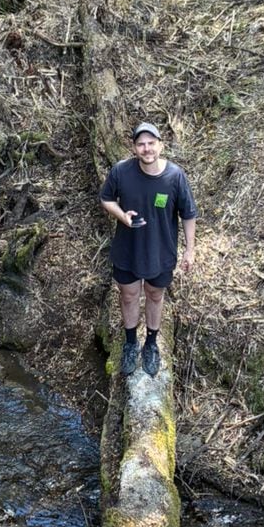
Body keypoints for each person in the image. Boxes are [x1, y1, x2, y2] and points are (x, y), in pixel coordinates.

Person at [99, 122, 197, 377]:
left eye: (151, 143)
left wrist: (190, 250)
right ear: (134, 148)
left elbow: (188, 214)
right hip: (127, 249)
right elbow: (106, 198)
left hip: (161, 251)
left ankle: (151, 344)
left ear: (160, 145)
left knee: (155, 295)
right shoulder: (121, 171)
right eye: (141, 144)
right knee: (128, 295)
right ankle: (131, 342)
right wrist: (121, 216)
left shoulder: (175, 176)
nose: (146, 149)